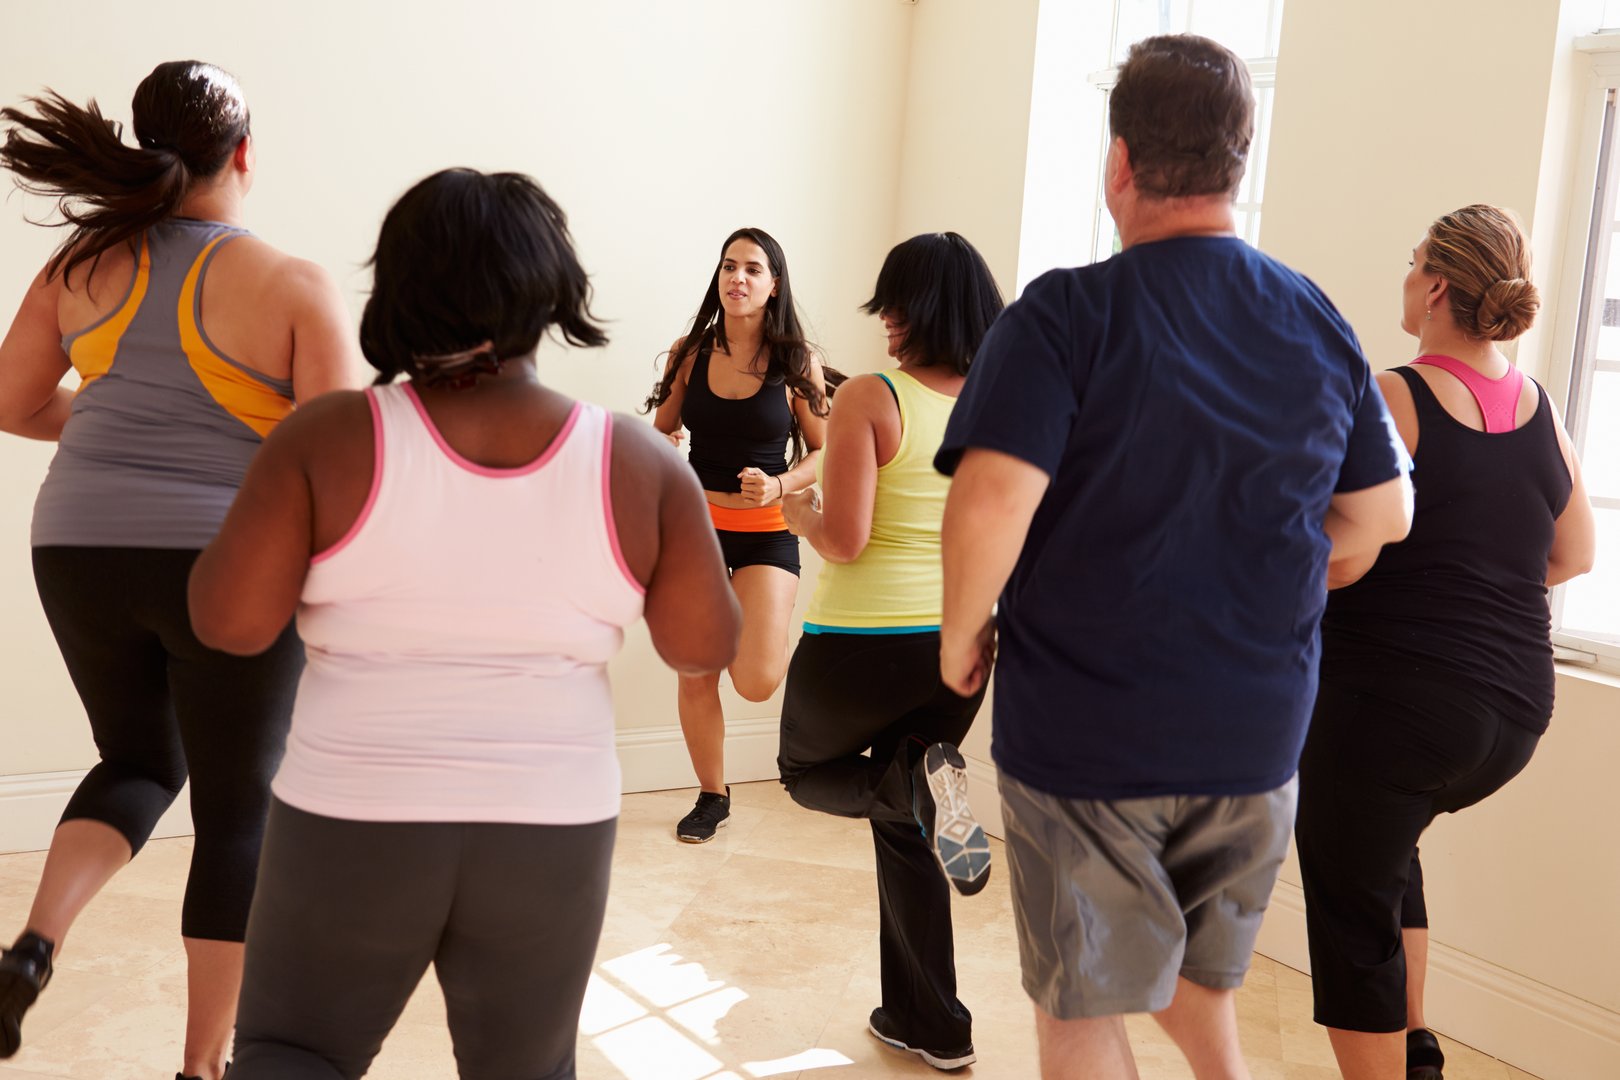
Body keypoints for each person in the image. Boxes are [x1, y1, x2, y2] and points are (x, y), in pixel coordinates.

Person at [187, 167, 741, 1080]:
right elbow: (700, 645)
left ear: (399, 288)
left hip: (353, 810)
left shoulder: (327, 438)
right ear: (549, 290)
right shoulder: (637, 460)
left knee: (295, 1055)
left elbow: (230, 624)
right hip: (550, 818)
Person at [934, 34, 1415, 1080]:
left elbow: (989, 506)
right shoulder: (1314, 316)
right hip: (1255, 740)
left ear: (1118, 163)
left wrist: (960, 636)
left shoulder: (1065, 313)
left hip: (1090, 733)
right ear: (1240, 162)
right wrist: (1274, 567)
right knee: (1201, 982)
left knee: (1083, 1008)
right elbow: (1383, 517)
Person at [0, 61, 360, 1080]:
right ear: (243, 155)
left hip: (76, 548)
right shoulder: (288, 281)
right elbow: (333, 457)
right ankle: (204, 1070)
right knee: (239, 811)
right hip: (224, 561)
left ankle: (29, 953)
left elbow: (14, 401)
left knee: (139, 763)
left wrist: (123, 429)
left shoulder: (82, 266)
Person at [1295, 205, 1596, 1080]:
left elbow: (1341, 557)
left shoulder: (1395, 394)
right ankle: (1416, 1047)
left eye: (1412, 260)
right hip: (1514, 715)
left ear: (1434, 285)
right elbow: (1574, 553)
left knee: (1350, 910)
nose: (1405, 275)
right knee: (1389, 849)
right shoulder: (1542, 408)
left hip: (1395, 710)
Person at [778, 232, 1002, 1072]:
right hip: (965, 642)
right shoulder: (1007, 401)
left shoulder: (876, 395)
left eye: (892, 304)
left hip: (862, 641)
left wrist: (797, 515)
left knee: (805, 777)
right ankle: (933, 1023)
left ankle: (915, 784)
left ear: (911, 308)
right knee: (906, 826)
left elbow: (844, 538)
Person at [646, 227, 833, 842]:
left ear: (773, 284)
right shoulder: (690, 353)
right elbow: (662, 429)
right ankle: (712, 795)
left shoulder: (794, 359)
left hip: (765, 531)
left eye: (753, 268)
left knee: (755, 681)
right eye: (730, 266)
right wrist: (665, 445)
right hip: (695, 530)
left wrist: (780, 485)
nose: (738, 278)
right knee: (696, 671)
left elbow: (825, 453)